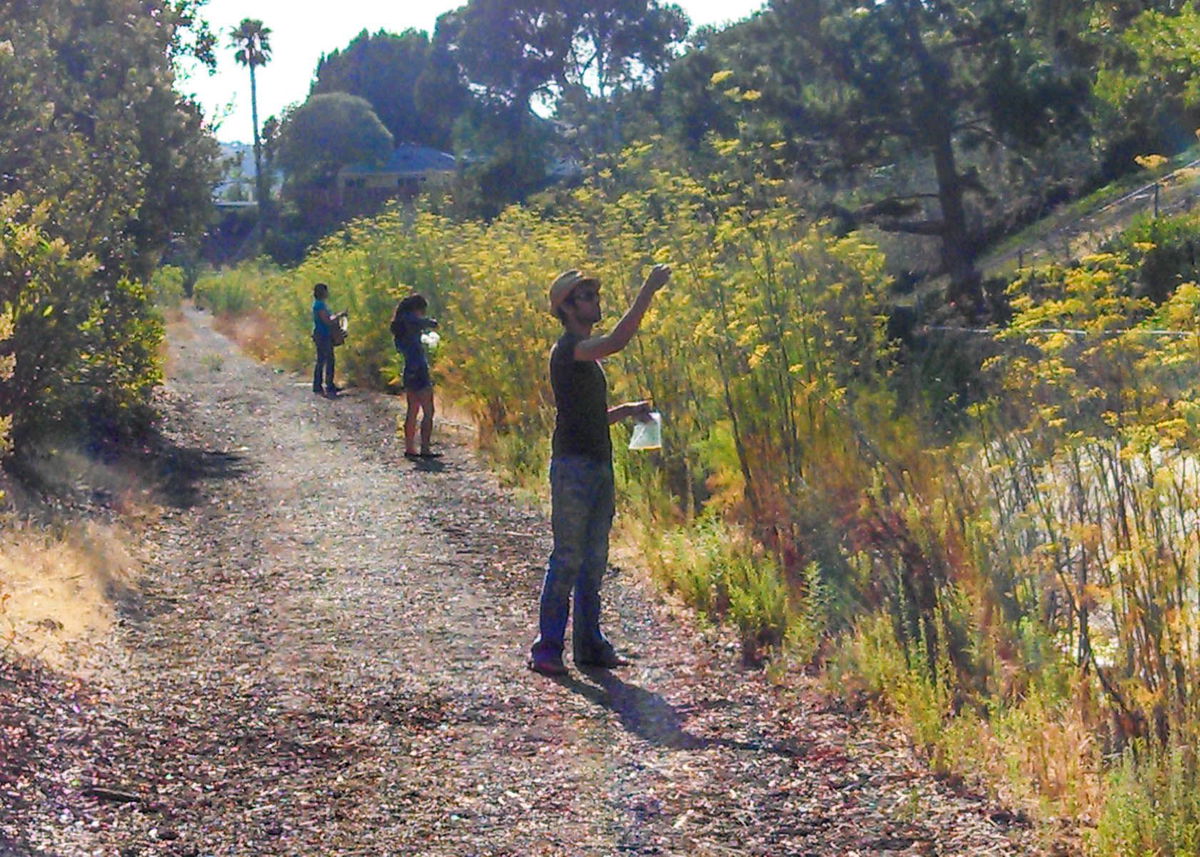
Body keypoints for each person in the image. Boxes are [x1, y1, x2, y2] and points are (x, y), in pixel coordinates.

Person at [529, 263, 671, 676]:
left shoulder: (582, 354)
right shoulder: (570, 348)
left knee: (593, 559)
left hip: (595, 464)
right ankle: (548, 648)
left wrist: (626, 411)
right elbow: (619, 340)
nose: (595, 301)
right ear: (568, 308)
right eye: (587, 296)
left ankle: (589, 646)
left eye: (593, 294)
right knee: (568, 557)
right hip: (573, 467)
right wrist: (647, 290)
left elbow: (586, 414)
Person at [390, 293, 440, 459]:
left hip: (408, 369)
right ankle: (425, 449)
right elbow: (425, 322)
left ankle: (410, 448)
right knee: (428, 411)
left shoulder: (400, 325)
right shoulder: (410, 320)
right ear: (417, 309)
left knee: (412, 410)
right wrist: (432, 323)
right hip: (419, 369)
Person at [312, 282, 346, 398]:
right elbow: (327, 320)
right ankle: (327, 386)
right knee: (327, 360)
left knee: (322, 360)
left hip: (322, 335)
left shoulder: (319, 304)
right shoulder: (319, 306)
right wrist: (339, 316)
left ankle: (320, 385)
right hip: (323, 335)